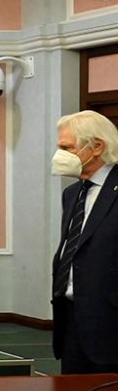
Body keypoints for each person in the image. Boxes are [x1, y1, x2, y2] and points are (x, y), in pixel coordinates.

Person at [50, 110, 118, 374]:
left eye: (67, 148)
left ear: (97, 147)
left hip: (109, 322)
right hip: (71, 319)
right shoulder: (73, 193)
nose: (60, 155)